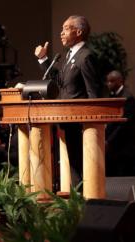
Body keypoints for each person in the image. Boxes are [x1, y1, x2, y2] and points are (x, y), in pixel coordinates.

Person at [34, 15, 102, 185]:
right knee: (72, 167)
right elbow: (59, 82)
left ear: (78, 32)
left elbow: (93, 92)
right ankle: (75, 203)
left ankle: (85, 204)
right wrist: (43, 59)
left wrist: (93, 123)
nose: (61, 33)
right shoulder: (69, 55)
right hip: (67, 121)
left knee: (80, 166)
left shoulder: (86, 56)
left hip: (80, 124)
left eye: (66, 28)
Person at [105, 70, 135, 176]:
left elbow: (124, 125)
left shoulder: (128, 97)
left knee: (122, 177)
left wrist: (109, 141)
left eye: (112, 81)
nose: (109, 84)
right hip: (114, 147)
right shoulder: (113, 95)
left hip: (123, 147)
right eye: (108, 81)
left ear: (120, 81)